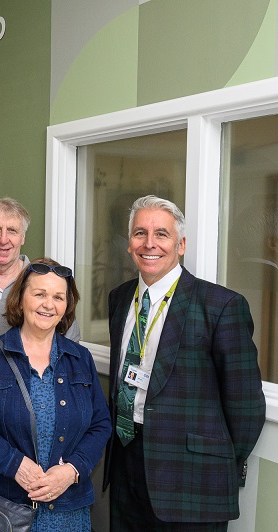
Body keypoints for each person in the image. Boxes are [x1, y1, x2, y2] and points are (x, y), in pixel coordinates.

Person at [105, 195, 266, 530]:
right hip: (126, 462)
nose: (150, 243)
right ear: (129, 243)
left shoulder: (221, 306)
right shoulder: (119, 298)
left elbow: (246, 404)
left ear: (180, 245)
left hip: (192, 478)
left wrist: (215, 464)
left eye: (161, 234)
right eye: (140, 233)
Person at [0, 257, 111, 531]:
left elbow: (100, 425)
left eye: (58, 297)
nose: (48, 304)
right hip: (5, 508)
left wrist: (72, 470)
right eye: (39, 294)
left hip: (69, 510)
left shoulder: (81, 359)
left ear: (66, 307)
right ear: (19, 299)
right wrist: (15, 465)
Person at [0, 198, 80, 341]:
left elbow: (71, 347)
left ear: (22, 237)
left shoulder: (47, 285)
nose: (3, 239)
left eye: (12, 230)